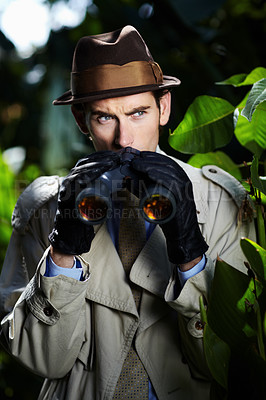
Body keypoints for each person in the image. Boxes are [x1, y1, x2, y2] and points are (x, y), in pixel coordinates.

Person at [0, 25, 255, 400]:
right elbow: (45, 361)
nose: (124, 140)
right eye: (105, 118)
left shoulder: (223, 202)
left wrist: (190, 256)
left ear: (163, 107)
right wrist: (63, 252)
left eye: (138, 113)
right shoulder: (43, 208)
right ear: (80, 120)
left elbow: (233, 364)